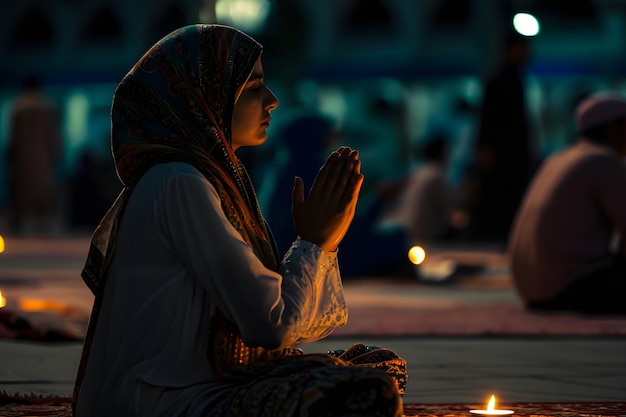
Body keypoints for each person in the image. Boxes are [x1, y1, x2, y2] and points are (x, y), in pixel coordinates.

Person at [72, 24, 406, 417]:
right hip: (160, 401)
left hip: (201, 385)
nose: (272, 100)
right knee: (368, 390)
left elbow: (277, 328)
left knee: (380, 364)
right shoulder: (179, 182)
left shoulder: (200, 177)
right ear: (204, 101)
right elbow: (270, 325)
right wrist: (314, 243)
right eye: (252, 88)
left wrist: (322, 243)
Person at [507, 92, 626, 316]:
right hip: (569, 287)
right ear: (613, 128)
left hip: (533, 291)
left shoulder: (559, 158)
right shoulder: (603, 160)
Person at [468, 33, 536, 244]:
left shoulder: (515, 80)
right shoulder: (501, 81)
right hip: (504, 158)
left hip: (511, 157)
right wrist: (486, 151)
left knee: (507, 205)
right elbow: (489, 121)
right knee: (501, 204)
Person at [6, 75, 63, 236]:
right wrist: (57, 157)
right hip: (44, 160)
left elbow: (13, 139)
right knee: (44, 195)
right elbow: (54, 137)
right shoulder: (47, 107)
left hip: (23, 161)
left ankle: (25, 229)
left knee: (24, 197)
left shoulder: (17, 108)